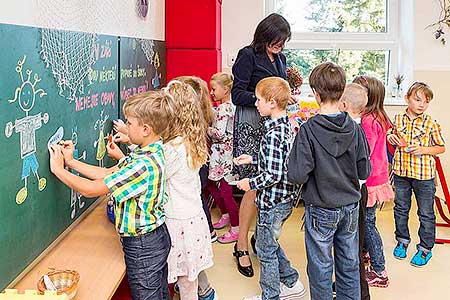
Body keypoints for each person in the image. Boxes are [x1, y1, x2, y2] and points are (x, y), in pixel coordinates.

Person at [49, 91, 173, 300]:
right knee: (159, 294)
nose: (126, 125)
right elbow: (109, 174)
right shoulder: (150, 151)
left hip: (143, 246)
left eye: (129, 123)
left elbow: (90, 189)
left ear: (145, 129)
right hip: (155, 237)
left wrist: (59, 171)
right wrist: (70, 163)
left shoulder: (142, 165)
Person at [287, 62, 371, 300]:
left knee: (320, 267)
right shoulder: (355, 129)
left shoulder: (308, 130)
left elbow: (296, 175)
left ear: (315, 94)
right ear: (342, 90)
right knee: (349, 264)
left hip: (321, 209)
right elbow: (364, 170)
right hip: (350, 209)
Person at [231, 12, 292, 277]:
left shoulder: (281, 59)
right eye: (276, 41)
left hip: (270, 122)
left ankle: (261, 237)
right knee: (252, 188)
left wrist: (279, 100)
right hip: (251, 122)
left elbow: (280, 88)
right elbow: (236, 94)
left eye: (283, 42)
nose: (280, 46)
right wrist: (262, 98)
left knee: (267, 184)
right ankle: (241, 244)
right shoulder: (247, 55)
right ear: (265, 36)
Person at [237, 77, 305, 300]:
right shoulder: (284, 125)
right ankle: (292, 282)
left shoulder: (274, 133)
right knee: (269, 243)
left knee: (265, 251)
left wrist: (250, 183)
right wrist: (254, 158)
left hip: (273, 201)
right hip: (283, 198)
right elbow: (278, 161)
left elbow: (273, 174)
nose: (255, 103)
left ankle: (271, 295)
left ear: (273, 102)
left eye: (259, 100)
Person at [163, 80, 215, 300]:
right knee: (189, 280)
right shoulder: (190, 139)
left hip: (178, 222)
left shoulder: (172, 148)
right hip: (193, 219)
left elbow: (156, 176)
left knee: (185, 281)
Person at [387, 82, 446, 267]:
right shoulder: (397, 119)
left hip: (424, 176)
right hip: (401, 173)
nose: (422, 104)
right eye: (417, 99)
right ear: (407, 98)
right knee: (400, 209)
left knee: (426, 213)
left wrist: (423, 149)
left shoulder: (431, 123)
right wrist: (390, 137)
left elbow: (441, 147)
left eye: (426, 101)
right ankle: (402, 241)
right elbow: (390, 135)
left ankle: (425, 249)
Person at [353, 76, 394, 287]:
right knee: (367, 220)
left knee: (368, 223)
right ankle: (367, 255)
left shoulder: (368, 121)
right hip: (378, 177)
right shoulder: (379, 116)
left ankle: (380, 271)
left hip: (369, 181)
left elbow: (364, 152)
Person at [175, 76, 218, 242]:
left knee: (198, 199)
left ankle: (208, 231)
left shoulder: (189, 121)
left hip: (196, 167)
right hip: (201, 164)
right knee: (198, 198)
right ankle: (207, 231)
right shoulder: (206, 113)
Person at [338, 83, 371, 300]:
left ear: (344, 104)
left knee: (352, 249)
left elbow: (362, 172)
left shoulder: (353, 131)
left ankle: (361, 294)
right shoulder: (357, 128)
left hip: (354, 193)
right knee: (350, 246)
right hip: (357, 191)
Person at [207, 72, 240, 244]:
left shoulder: (222, 109)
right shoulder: (232, 106)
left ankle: (236, 227)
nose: (211, 93)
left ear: (225, 89)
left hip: (222, 156)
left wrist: (205, 127)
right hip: (225, 155)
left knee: (225, 191)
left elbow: (218, 133)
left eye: (214, 89)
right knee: (213, 185)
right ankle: (226, 215)